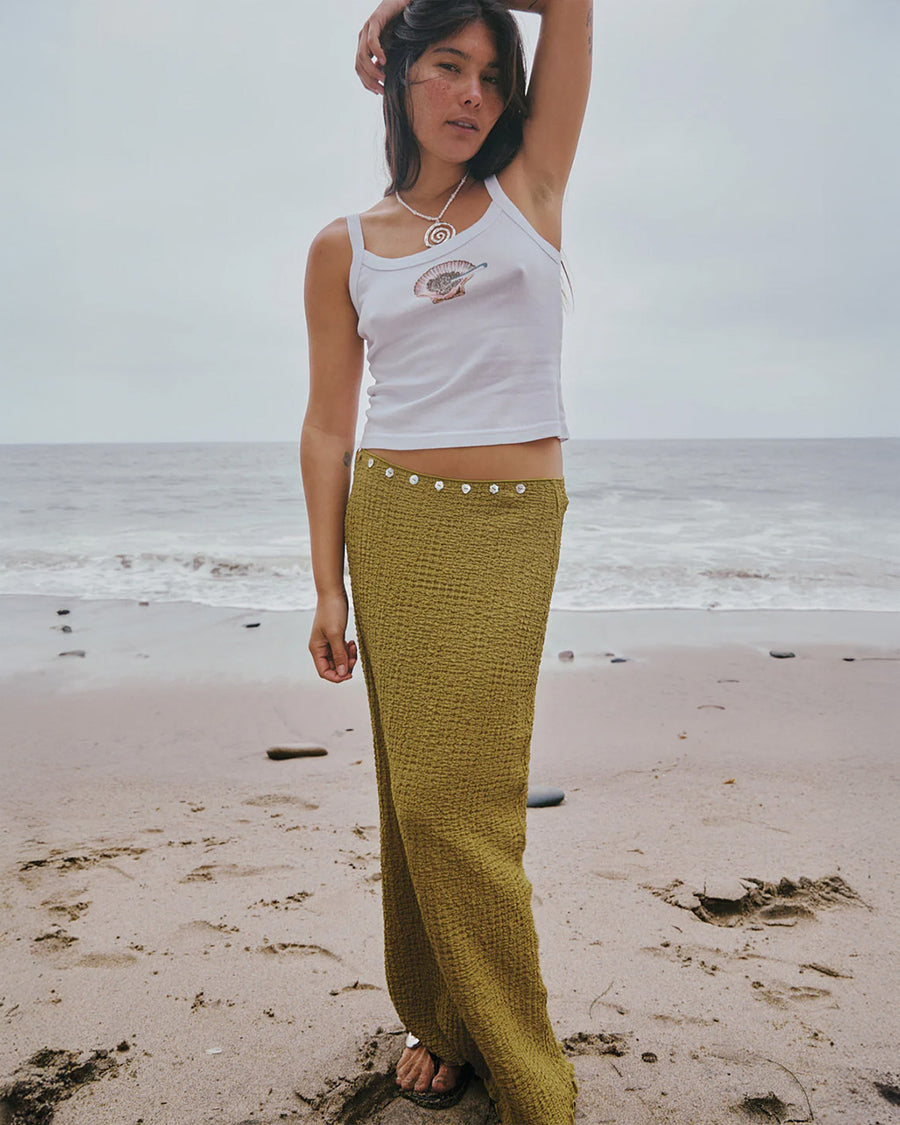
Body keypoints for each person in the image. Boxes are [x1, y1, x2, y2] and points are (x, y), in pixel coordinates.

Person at [300, 1, 592, 1120]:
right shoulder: (344, 242)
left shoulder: (530, 189)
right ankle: (441, 1018)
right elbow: (330, 423)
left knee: (458, 804)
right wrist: (327, 581)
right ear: (399, 82)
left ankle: (526, 1069)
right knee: (415, 795)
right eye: (444, 67)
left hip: (512, 522)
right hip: (396, 521)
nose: (471, 95)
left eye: (488, 74)